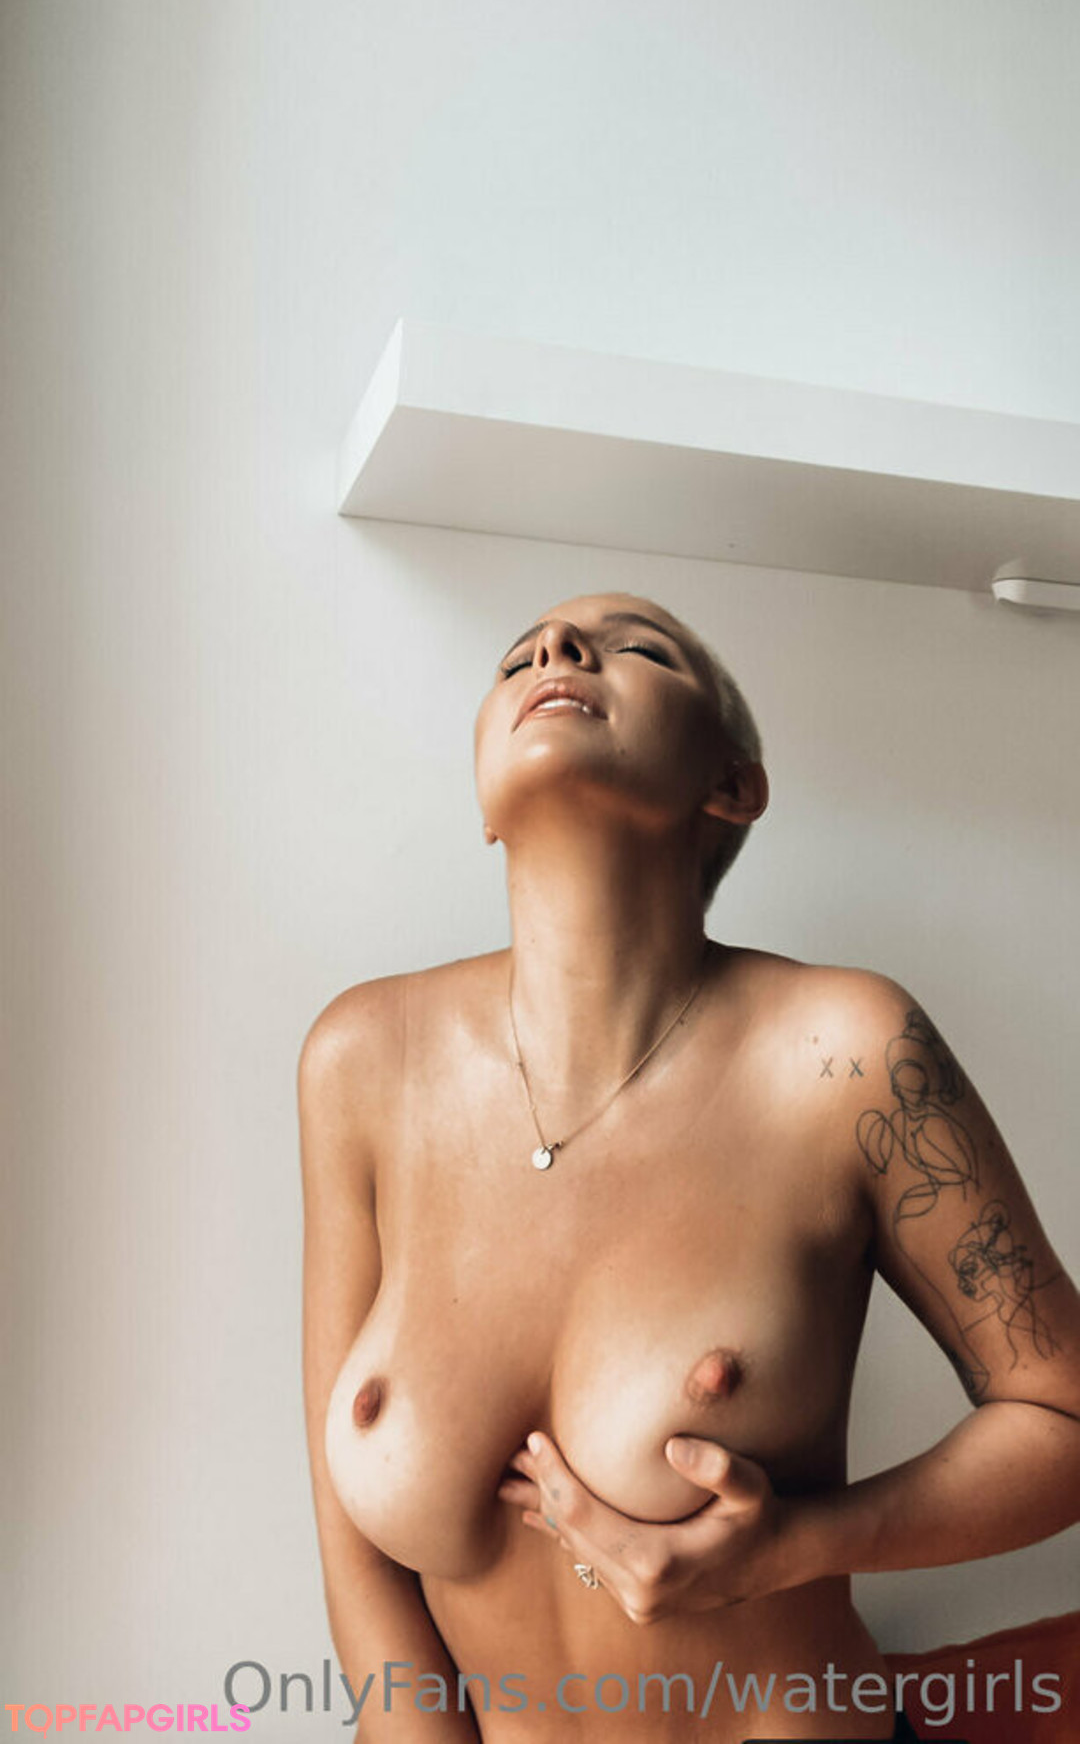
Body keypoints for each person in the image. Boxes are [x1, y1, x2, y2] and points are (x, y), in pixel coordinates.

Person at [299, 590, 1080, 1743]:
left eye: (640, 648)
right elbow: (352, 1546)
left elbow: (1062, 1410)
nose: (557, 648)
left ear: (733, 783)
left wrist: (792, 1546)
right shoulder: (363, 1061)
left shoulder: (850, 1054)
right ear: (483, 802)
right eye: (518, 658)